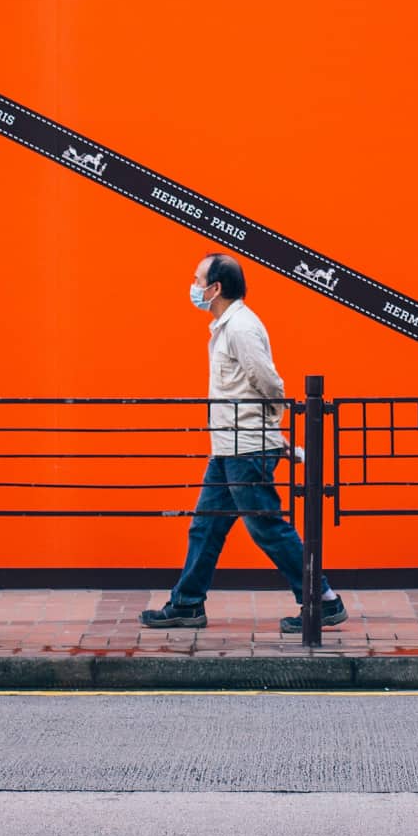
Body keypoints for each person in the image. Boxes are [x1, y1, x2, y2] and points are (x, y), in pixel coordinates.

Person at [140, 252, 349, 633]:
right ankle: (187, 604)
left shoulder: (241, 328)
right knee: (205, 527)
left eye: (197, 279)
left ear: (215, 287)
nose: (193, 286)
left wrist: (268, 429)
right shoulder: (225, 326)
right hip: (227, 447)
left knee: (266, 527)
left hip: (247, 448)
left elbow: (270, 384)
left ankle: (323, 601)